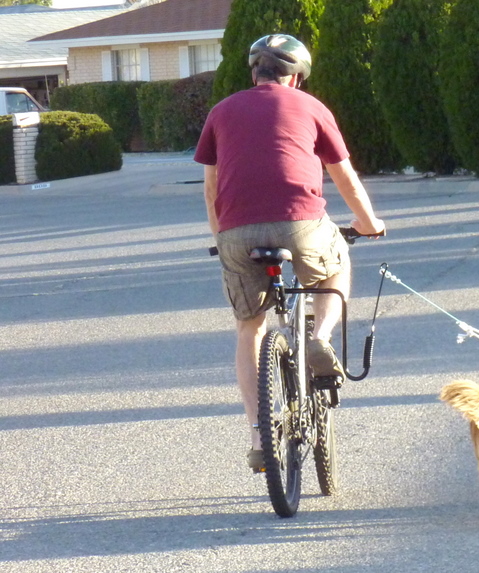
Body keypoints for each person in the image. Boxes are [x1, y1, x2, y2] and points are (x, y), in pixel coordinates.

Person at [194, 34, 385, 471]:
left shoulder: (221, 112)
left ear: (253, 72)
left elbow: (210, 190)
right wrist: (369, 225)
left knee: (249, 328)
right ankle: (319, 340)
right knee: (336, 258)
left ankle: (261, 437)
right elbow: (346, 180)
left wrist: (224, 237)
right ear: (296, 77)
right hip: (302, 225)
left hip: (237, 232)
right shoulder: (312, 107)